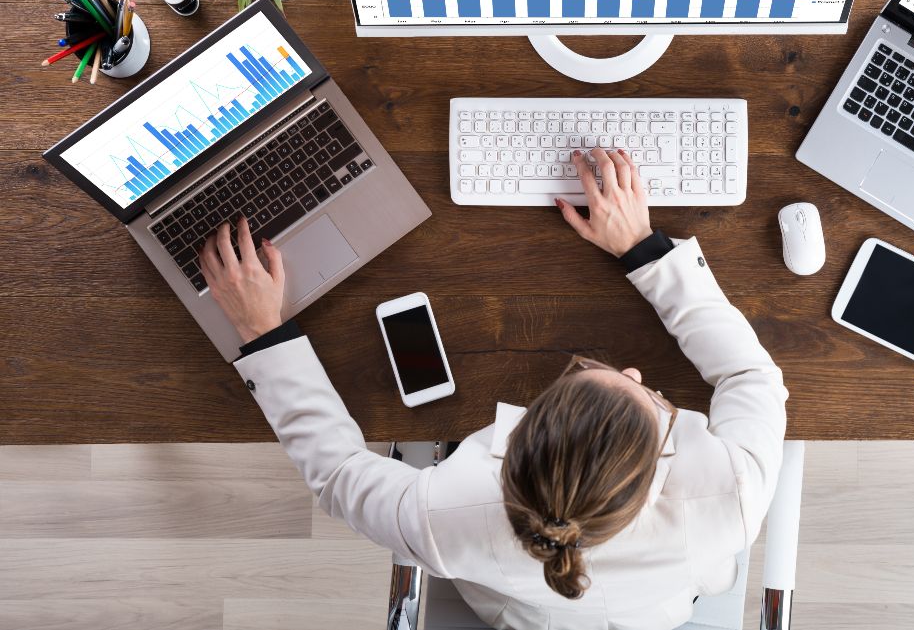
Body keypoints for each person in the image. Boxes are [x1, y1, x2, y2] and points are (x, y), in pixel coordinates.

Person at [201, 147, 787, 630]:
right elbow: (751, 376)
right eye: (648, 395)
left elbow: (336, 476)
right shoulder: (733, 492)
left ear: (525, 427)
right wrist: (644, 249)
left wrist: (262, 331)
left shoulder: (444, 515)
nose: (635, 374)